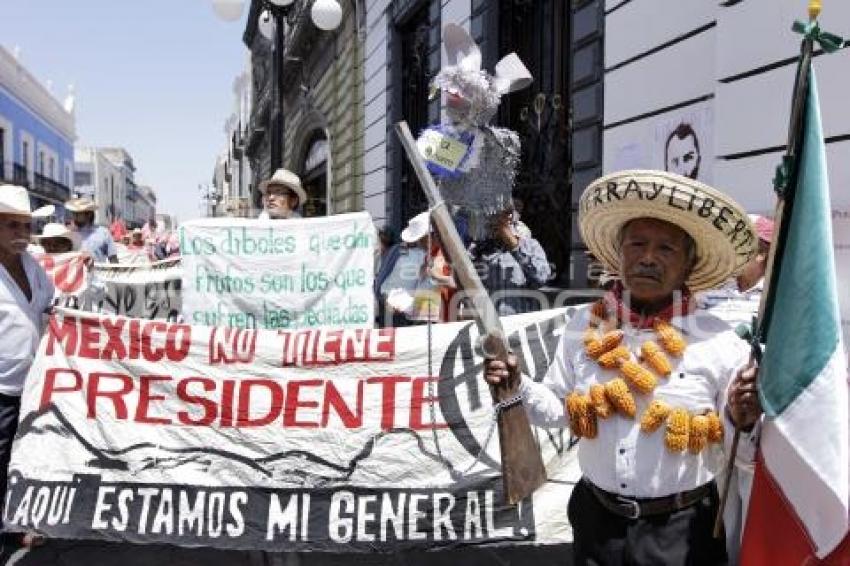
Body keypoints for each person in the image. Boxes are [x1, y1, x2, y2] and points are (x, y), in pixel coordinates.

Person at [484, 170, 762, 565]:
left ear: (689, 265)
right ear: (619, 253)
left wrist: (743, 418)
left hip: (683, 534)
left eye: (666, 248)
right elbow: (558, 410)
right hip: (597, 524)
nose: (648, 257)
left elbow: (745, 453)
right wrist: (518, 386)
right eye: (637, 244)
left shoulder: (720, 343)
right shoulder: (583, 326)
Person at [0, 185, 54, 556]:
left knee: (23, 458)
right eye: (12, 226)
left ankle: (13, 524)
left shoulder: (32, 265)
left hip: (32, 384)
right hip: (1, 387)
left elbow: (52, 305)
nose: (22, 234)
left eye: (26, 226)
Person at [469, 206, 551, 315]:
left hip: (520, 324)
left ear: (509, 218)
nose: (493, 223)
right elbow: (462, 282)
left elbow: (541, 278)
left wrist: (514, 246)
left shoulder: (530, 245)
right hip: (489, 324)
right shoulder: (478, 249)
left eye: (498, 218)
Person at [65, 197, 118, 263]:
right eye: (74, 213)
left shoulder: (103, 233)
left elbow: (113, 258)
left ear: (88, 214)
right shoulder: (68, 233)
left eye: (78, 213)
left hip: (98, 272)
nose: (74, 216)